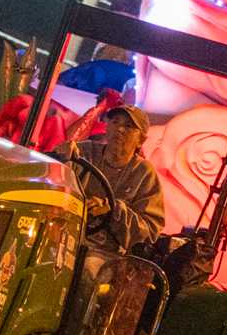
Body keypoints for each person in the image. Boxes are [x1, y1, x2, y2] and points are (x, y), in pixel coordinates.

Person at [63, 104, 163, 253]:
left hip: (105, 255)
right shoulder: (83, 152)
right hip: (65, 235)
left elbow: (149, 234)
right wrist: (61, 155)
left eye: (129, 126)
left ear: (141, 141)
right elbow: (52, 180)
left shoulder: (144, 174)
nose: (120, 129)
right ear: (107, 127)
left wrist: (112, 209)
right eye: (115, 122)